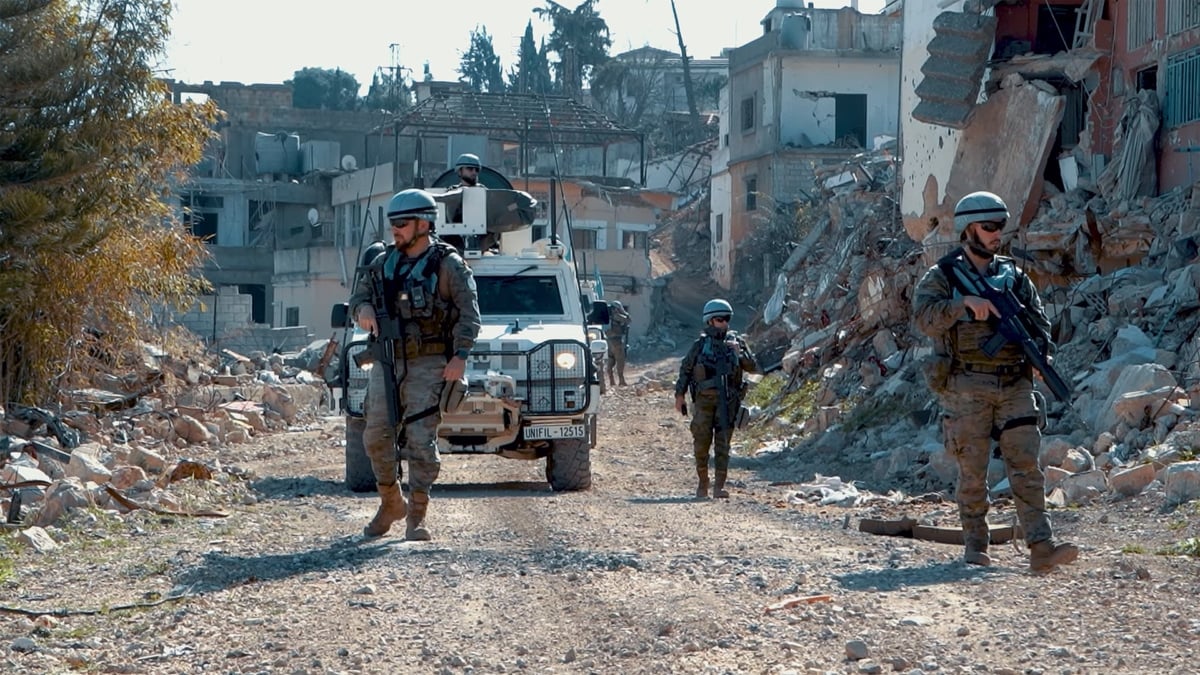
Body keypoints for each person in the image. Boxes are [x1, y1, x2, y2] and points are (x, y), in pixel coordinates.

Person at [912, 190, 1078, 573]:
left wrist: (1043, 356)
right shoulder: (944, 276)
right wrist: (963, 305)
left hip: (1015, 384)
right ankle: (976, 546)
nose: (996, 234)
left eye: (1000, 227)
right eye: (989, 227)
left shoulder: (1014, 277)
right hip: (967, 384)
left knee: (1026, 465)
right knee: (972, 471)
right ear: (968, 229)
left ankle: (1041, 545)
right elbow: (923, 319)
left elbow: (1040, 324)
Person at [349, 188, 481, 540]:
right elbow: (358, 297)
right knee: (376, 435)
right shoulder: (382, 263)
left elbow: (470, 314)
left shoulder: (447, 264)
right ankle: (391, 501)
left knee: (421, 441)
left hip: (430, 361)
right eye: (392, 223)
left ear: (424, 224)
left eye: (402, 224)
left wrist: (460, 356)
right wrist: (361, 309)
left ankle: (416, 515)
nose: (396, 230)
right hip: (387, 360)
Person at [673, 299, 757, 499]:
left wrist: (740, 354)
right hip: (704, 402)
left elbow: (753, 367)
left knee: (723, 445)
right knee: (701, 443)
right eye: (721, 319)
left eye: (727, 319)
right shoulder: (700, 346)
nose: (725, 324)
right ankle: (703, 483)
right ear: (710, 321)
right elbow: (685, 370)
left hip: (727, 403)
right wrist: (679, 396)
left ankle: (719, 487)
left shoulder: (737, 343)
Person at [605, 300, 631, 386]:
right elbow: (628, 320)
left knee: (610, 360)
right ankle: (621, 380)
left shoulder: (606, 317)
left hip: (608, 341)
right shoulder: (616, 316)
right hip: (616, 341)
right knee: (620, 360)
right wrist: (624, 312)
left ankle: (611, 380)